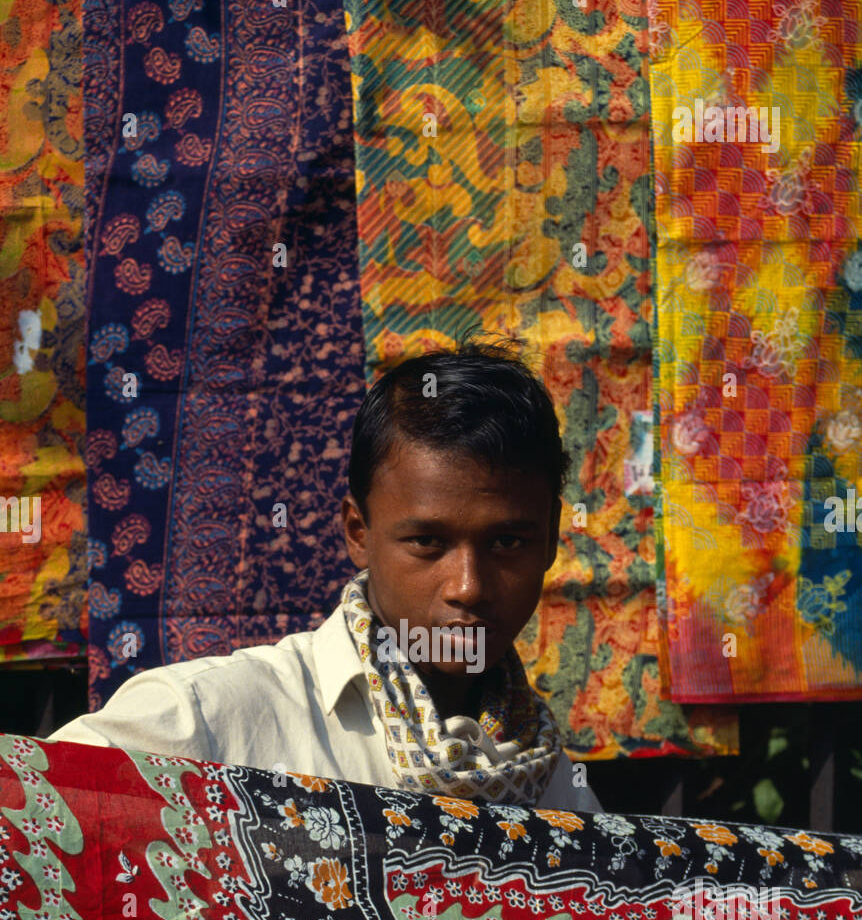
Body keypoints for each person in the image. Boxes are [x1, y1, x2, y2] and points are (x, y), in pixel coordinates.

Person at [50, 338, 599, 812]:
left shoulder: (553, 784)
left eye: (507, 542)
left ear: (550, 539)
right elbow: (35, 817)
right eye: (427, 542)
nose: (467, 586)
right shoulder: (210, 719)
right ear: (358, 532)